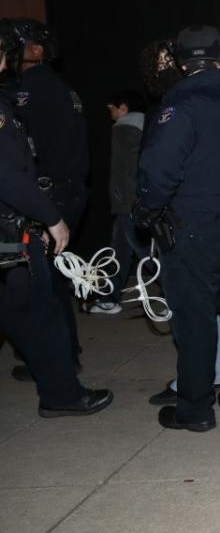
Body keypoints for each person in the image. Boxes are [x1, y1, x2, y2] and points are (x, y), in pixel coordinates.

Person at [137, 24, 220, 433]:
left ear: (181, 62)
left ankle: (194, 407)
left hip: (194, 226)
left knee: (195, 318)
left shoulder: (180, 108)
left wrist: (147, 211)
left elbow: (157, 172)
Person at [0, 21, 112, 418]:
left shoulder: (29, 91)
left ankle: (57, 373)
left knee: (37, 298)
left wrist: (47, 211)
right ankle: (58, 379)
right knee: (38, 301)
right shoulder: (49, 89)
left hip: (40, 200)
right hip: (32, 205)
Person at [8, 18, 88, 376]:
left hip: (46, 194)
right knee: (49, 281)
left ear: (37, 50)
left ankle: (57, 362)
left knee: (41, 286)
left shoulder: (29, 88)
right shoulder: (60, 87)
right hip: (63, 189)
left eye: (16, 44)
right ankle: (58, 356)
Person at [87, 90, 148, 314]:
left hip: (127, 202)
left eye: (111, 108)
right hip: (132, 200)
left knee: (142, 252)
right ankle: (110, 298)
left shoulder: (124, 129)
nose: (109, 112)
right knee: (120, 250)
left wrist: (125, 200)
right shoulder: (144, 127)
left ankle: (174, 295)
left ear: (123, 108)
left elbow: (125, 170)